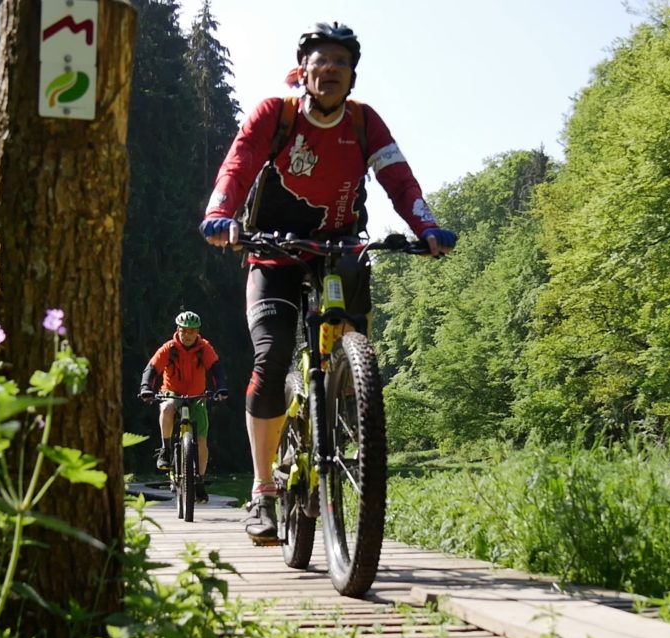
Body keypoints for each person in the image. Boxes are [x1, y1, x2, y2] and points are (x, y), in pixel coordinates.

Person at [198, 22, 457, 543]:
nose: (332, 69)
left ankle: (346, 422)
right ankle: (263, 490)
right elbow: (240, 162)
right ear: (304, 70)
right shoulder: (277, 115)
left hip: (339, 249)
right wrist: (222, 214)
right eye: (323, 60)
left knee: (354, 350)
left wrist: (425, 226)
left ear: (353, 76)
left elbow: (398, 179)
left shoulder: (364, 123)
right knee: (271, 359)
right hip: (272, 252)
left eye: (342, 61)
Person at [139, 311, 228, 503]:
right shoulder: (169, 348)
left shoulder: (204, 348)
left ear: (197, 332)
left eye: (192, 331)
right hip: (172, 393)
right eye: (184, 330)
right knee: (166, 409)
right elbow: (151, 369)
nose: (187, 335)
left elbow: (216, 369)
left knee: (202, 441)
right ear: (178, 330)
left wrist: (221, 387)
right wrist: (146, 388)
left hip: (197, 396)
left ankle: (200, 483)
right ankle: (165, 449)